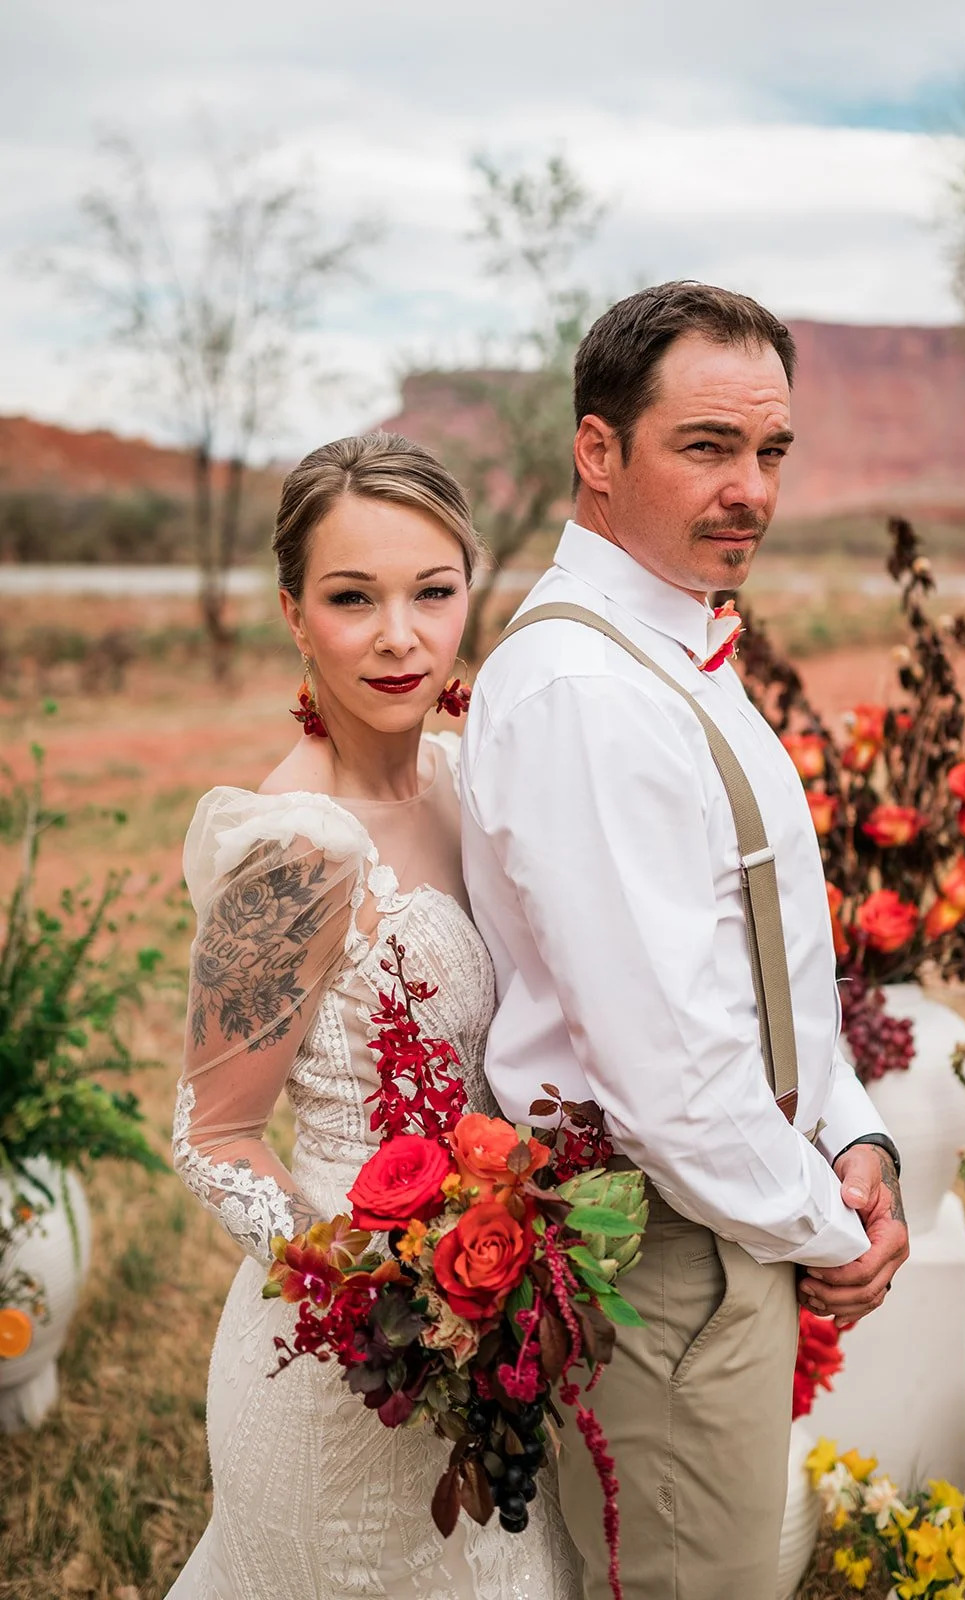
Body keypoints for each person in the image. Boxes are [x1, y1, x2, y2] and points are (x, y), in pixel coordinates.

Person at [459, 282, 910, 1600]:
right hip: (668, 1248)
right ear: (599, 452)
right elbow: (663, 1065)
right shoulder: (588, 692)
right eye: (707, 446)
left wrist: (854, 1132)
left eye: (771, 452)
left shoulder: (663, 650)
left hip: (729, 1212)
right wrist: (829, 1225)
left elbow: (753, 960)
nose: (751, 489)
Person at [168, 432, 578, 1600]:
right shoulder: (292, 851)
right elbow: (212, 1135)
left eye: (431, 591)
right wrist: (374, 1296)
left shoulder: (468, 779)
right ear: (296, 613)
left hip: (494, 1339)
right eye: (354, 597)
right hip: (348, 1369)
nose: (400, 634)